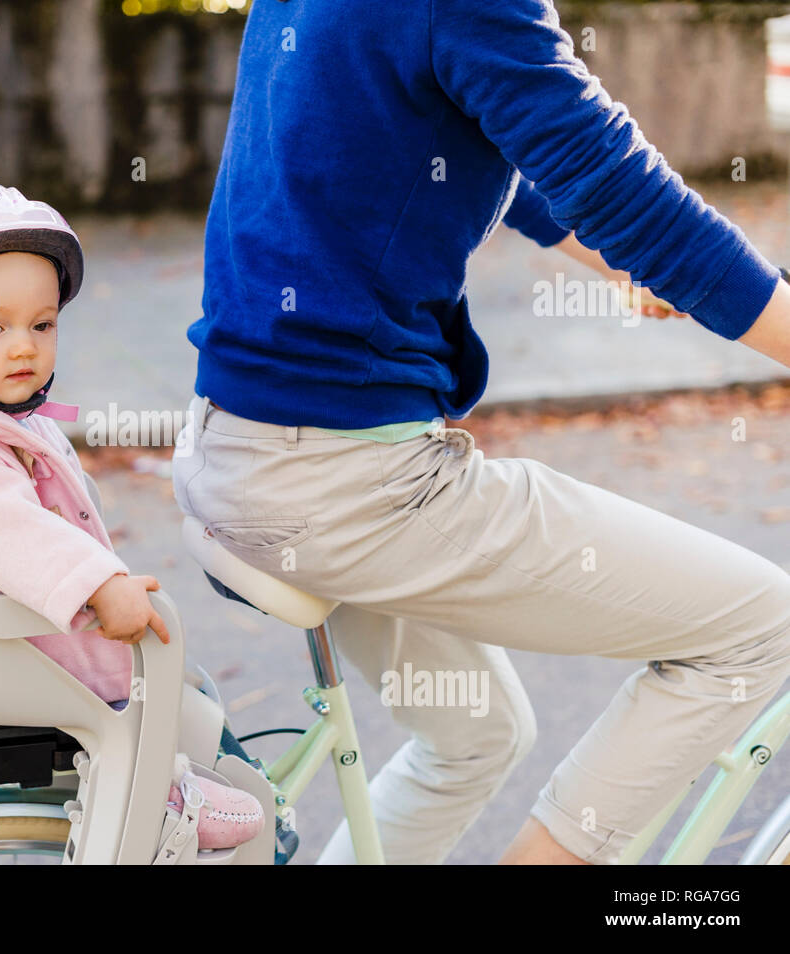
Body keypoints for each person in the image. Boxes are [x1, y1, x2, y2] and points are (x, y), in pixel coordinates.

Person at [172, 0, 790, 864]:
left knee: (475, 736)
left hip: (241, 444)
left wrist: (637, 266)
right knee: (759, 627)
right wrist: (664, 257)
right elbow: (616, 185)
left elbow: (474, 137)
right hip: (347, 481)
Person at [0, 183, 265, 852]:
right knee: (154, 676)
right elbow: (8, 533)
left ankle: (170, 765)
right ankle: (159, 792)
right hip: (16, 650)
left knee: (185, 688)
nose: (23, 347)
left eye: (42, 325)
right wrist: (94, 583)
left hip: (13, 640)